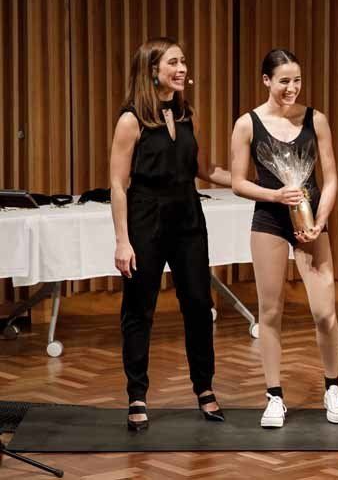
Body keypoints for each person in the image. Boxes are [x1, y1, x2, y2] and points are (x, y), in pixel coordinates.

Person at [110, 37, 231, 431]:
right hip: (146, 218)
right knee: (139, 308)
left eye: (183, 62)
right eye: (174, 63)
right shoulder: (131, 120)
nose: (182, 69)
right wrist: (122, 240)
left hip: (188, 217)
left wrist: (255, 182)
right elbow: (118, 185)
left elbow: (205, 169)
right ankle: (137, 394)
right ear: (152, 70)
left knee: (198, 303)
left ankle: (204, 388)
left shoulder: (186, 114)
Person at [230, 49, 338, 428]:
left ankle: (332, 387)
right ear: (266, 81)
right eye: (284, 81)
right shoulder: (247, 124)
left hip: (310, 220)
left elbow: (330, 178)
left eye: (297, 80)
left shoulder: (316, 120)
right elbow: (238, 182)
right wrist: (276, 195)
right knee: (269, 311)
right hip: (269, 219)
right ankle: (274, 395)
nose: (292, 88)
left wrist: (320, 221)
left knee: (324, 312)